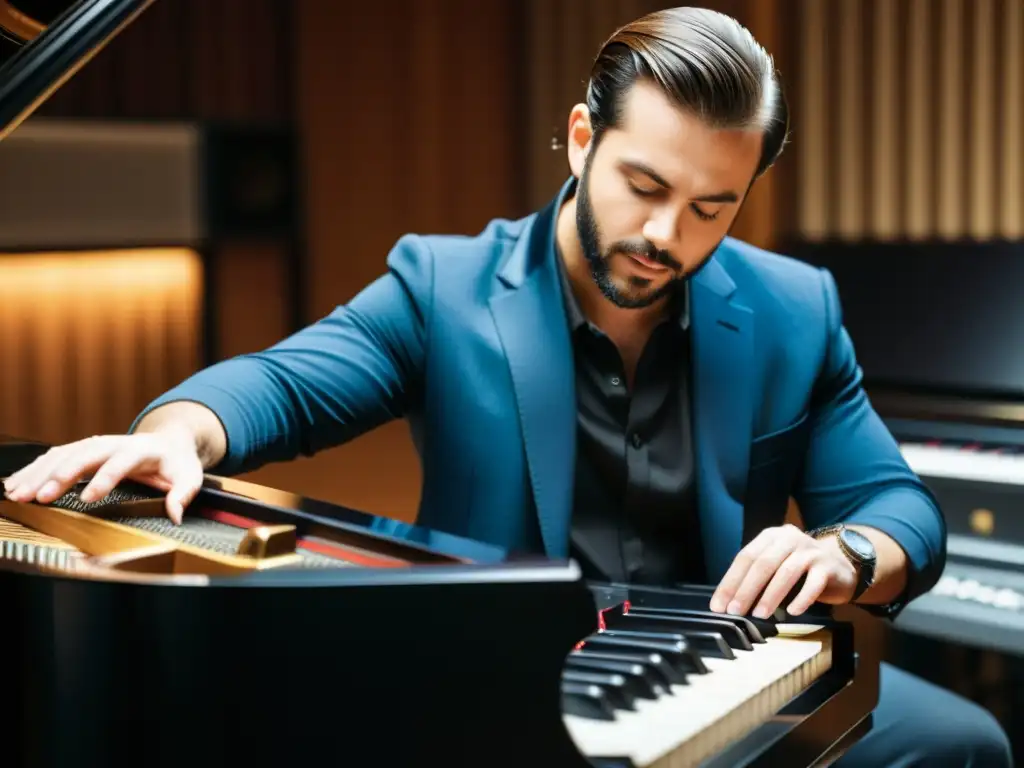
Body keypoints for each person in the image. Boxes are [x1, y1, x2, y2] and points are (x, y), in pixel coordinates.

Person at [4, 6, 1012, 766]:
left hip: (723, 650)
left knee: (964, 742)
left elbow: (900, 511)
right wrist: (183, 429)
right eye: (645, 188)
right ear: (581, 140)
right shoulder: (442, 286)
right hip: (509, 658)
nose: (668, 236)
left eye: (713, 206)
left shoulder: (794, 308)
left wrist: (846, 549)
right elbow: (283, 384)